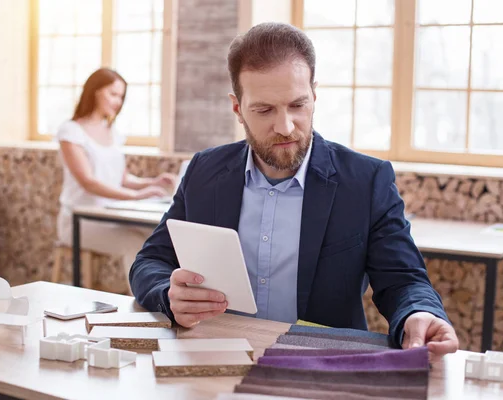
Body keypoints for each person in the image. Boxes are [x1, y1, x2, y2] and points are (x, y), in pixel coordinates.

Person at [129, 23, 458, 359]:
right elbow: (150, 261)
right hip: (215, 360)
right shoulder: (204, 171)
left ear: (314, 97)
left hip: (318, 368)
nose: (285, 127)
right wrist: (166, 294)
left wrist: (421, 313)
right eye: (264, 110)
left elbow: (404, 280)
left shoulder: (366, 180)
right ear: (237, 108)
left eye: (297, 106)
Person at [56, 67, 175, 290]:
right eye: (113, 94)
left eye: (121, 96)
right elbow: (89, 182)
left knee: (154, 238)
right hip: (80, 220)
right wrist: (137, 195)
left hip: (110, 216)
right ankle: (147, 304)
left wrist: (152, 182)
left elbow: (121, 178)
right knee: (136, 243)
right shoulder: (70, 131)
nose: (118, 102)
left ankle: (165, 298)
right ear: (94, 91)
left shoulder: (112, 131)